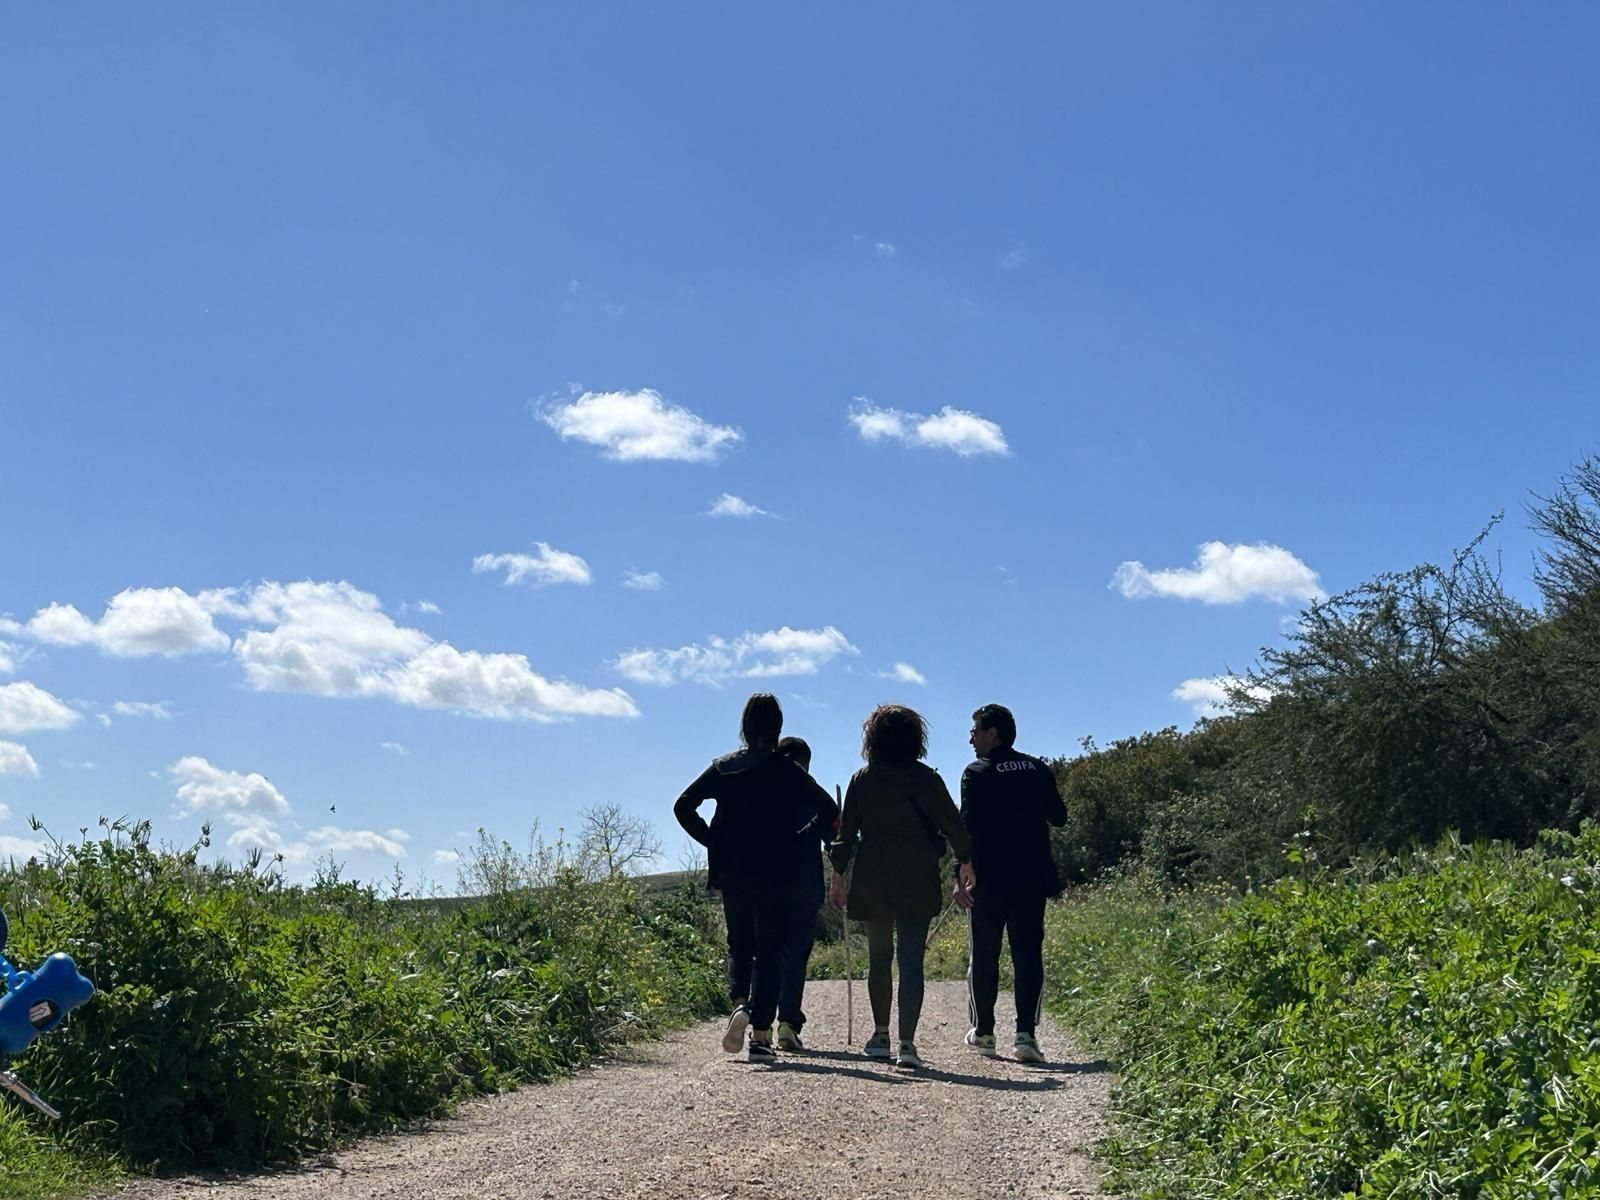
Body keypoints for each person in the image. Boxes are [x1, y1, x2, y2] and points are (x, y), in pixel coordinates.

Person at [674, 693, 838, 1062]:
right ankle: (761, 1036)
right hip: (778, 870)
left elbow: (683, 805)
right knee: (769, 950)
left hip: (733, 870)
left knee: (739, 944)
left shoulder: (724, 767)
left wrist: (713, 841)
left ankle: (740, 1004)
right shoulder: (787, 770)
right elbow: (828, 809)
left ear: (745, 726)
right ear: (777, 727)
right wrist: (801, 836)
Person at [829, 704, 975, 1069]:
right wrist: (966, 860)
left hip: (873, 875)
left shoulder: (863, 779)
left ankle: (881, 1036)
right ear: (915, 738)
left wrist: (837, 875)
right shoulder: (927, 779)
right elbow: (952, 824)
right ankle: (907, 1044)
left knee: (879, 957)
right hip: (917, 874)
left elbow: (847, 834)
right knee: (911, 960)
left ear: (873, 738)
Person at [955, 703, 1068, 1064]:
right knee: (1028, 955)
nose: (971, 739)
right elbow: (1059, 816)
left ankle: (984, 1032)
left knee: (984, 954)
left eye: (975, 731)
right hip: (1031, 878)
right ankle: (1025, 1036)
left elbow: (966, 827)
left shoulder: (976, 772)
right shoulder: (1037, 768)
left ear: (993, 733)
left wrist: (960, 873)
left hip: (988, 879)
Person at [772, 735, 831, 1051]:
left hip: (768, 884)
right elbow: (834, 840)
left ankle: (760, 1022)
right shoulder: (813, 793)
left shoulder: (765, 791)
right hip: (806, 886)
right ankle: (787, 1023)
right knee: (795, 955)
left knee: (766, 952)